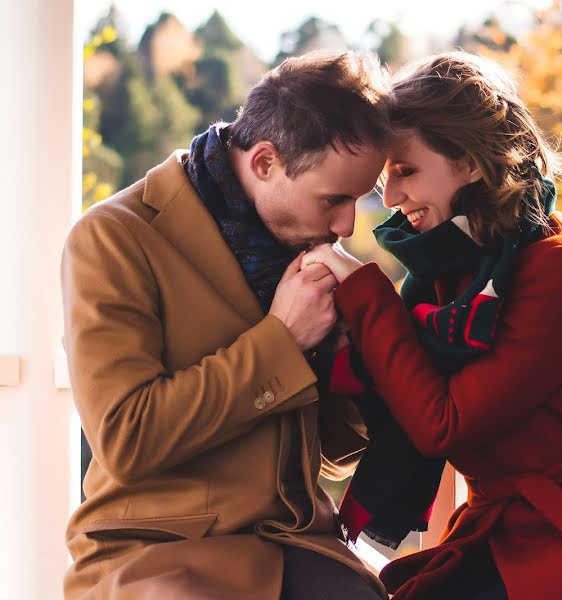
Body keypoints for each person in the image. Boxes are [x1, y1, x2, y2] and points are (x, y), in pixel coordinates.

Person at [302, 51, 562, 600]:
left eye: (405, 171)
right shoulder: (452, 266)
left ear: (469, 162)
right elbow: (405, 376)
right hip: (501, 533)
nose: (391, 199)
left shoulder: (559, 266)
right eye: (385, 178)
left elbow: (441, 425)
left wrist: (362, 289)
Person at [61, 51, 390, 599]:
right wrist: (283, 340)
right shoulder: (112, 238)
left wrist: (352, 353)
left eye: (357, 200)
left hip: (297, 546)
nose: (347, 225)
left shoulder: (299, 254)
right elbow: (127, 440)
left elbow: (333, 455)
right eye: (334, 200)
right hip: (154, 552)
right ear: (264, 162)